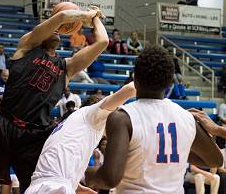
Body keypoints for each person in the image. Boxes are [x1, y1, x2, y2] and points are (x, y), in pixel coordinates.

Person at [0, 6, 108, 192]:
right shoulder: (27, 46)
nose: (57, 31)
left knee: (37, 188)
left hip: (35, 137)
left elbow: (103, 42)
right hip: (2, 123)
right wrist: (85, 15)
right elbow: (62, 16)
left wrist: (96, 18)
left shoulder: (67, 67)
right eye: (54, 28)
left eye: (60, 31)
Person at [85, 44, 223, 193]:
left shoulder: (122, 118)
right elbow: (215, 160)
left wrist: (85, 173)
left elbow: (109, 178)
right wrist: (176, 152)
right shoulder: (187, 117)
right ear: (170, 82)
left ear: (135, 79)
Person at [24, 82, 136, 194]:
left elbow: (57, 160)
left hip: (40, 186)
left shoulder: (73, 122)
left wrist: (75, 184)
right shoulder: (93, 115)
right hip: (55, 187)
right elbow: (130, 89)